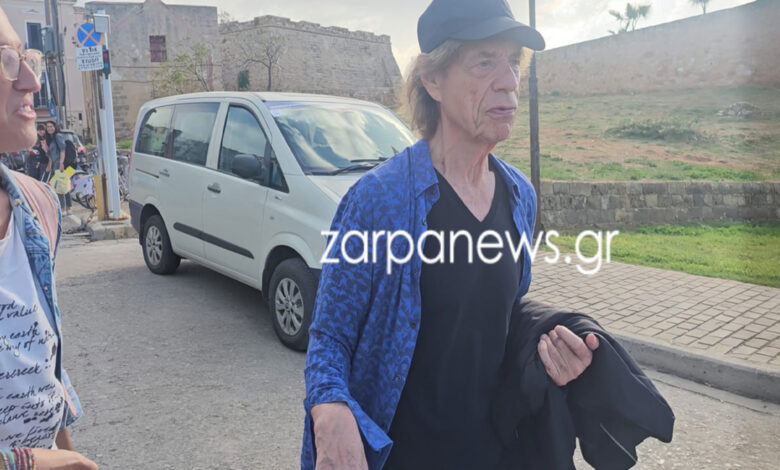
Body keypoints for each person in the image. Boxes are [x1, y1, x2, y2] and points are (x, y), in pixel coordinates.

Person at [302, 1, 602, 469]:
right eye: (484, 62)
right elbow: (329, 337)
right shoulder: (377, 202)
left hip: (498, 455)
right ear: (433, 79)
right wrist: (329, 407)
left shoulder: (519, 196)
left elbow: (502, 316)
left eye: (513, 61)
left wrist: (549, 349)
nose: (508, 80)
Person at [0, 6, 98, 469]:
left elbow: (41, 365)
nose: (32, 82)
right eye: (5, 60)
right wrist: (28, 462)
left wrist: (66, 454)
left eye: (28, 59)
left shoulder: (36, 207)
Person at [44, 120, 72, 215]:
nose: (49, 128)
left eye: (51, 126)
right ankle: (68, 208)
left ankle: (64, 208)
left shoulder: (57, 136)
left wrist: (61, 163)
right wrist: (46, 149)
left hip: (60, 165)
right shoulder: (50, 139)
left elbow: (62, 150)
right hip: (55, 165)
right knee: (63, 185)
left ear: (55, 127)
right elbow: (50, 154)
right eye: (48, 127)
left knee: (60, 186)